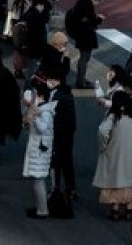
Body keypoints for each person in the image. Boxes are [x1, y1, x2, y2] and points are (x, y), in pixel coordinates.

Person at [93, 91, 132, 220]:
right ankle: (129, 208)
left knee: (116, 179)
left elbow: (102, 132)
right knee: (131, 181)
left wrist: (103, 146)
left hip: (115, 153)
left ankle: (115, 208)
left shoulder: (113, 118)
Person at [23, 83, 57, 219]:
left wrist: (35, 117)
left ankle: (42, 210)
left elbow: (42, 128)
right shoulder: (42, 110)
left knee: (39, 180)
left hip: (40, 150)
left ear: (41, 96)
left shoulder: (45, 112)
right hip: (38, 149)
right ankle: (40, 208)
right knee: (37, 180)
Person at [48, 63, 78, 201]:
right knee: (67, 160)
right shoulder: (67, 93)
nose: (50, 82)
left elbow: (50, 114)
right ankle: (70, 188)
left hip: (59, 133)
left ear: (58, 81)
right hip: (68, 132)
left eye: (52, 80)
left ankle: (56, 189)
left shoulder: (57, 96)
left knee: (56, 161)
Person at [65, 0, 105, 88]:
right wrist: (99, 19)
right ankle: (80, 82)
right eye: (98, 1)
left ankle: (81, 80)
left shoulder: (82, 2)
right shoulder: (87, 5)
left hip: (81, 35)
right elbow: (90, 21)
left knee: (84, 58)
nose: (97, 3)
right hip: (85, 36)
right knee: (84, 59)